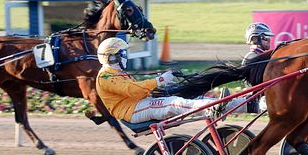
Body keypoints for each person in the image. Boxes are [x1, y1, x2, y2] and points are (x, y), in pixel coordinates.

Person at [95, 37, 246, 124]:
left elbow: (137, 89)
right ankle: (213, 108)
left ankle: (245, 105)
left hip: (138, 104)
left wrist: (164, 85)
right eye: (122, 53)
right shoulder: (106, 76)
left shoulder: (117, 72)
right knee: (174, 103)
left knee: (191, 97)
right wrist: (160, 80)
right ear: (112, 57)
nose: (125, 56)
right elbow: (132, 90)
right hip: (131, 111)